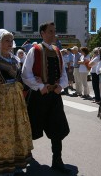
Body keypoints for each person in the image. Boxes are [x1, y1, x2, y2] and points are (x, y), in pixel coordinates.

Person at [21, 21, 71, 173]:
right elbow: (25, 73)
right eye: (50, 31)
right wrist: (40, 87)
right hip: (38, 96)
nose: (53, 34)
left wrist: (61, 86)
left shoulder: (57, 51)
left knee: (57, 127)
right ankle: (26, 154)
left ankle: (57, 160)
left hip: (54, 96)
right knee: (32, 127)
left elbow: (63, 73)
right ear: (42, 33)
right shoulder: (34, 50)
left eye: (54, 31)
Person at [0, 29, 33, 176]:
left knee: (17, 130)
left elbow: (19, 80)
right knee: (3, 132)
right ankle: (4, 165)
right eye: (7, 40)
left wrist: (30, 83)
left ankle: (16, 162)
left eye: (11, 40)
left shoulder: (15, 60)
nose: (10, 43)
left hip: (16, 101)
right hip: (1, 102)